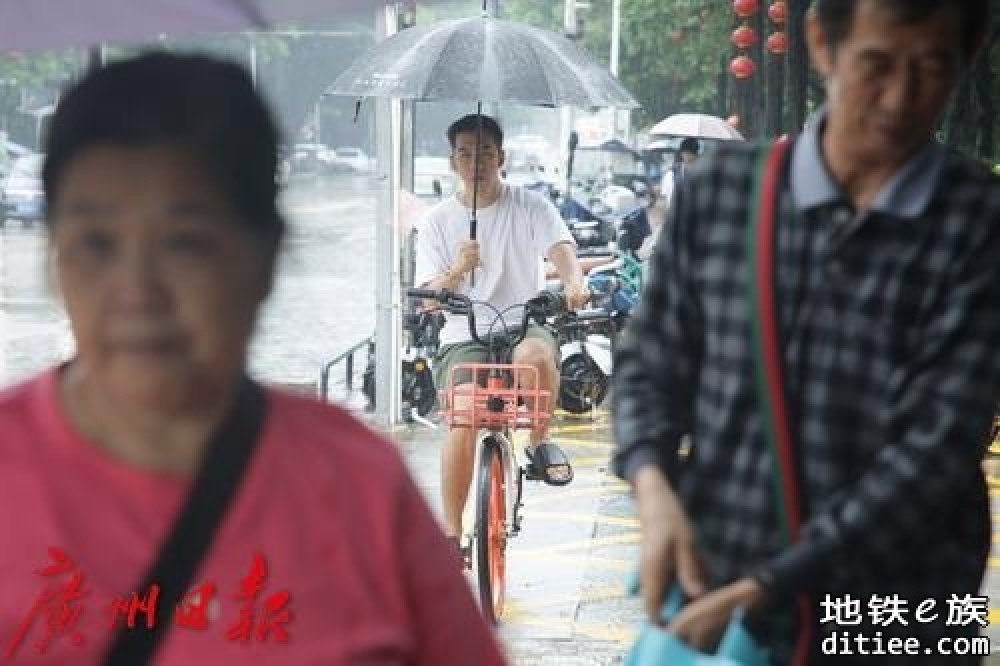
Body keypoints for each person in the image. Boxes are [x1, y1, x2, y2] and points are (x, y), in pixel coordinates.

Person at [0, 52, 508, 665]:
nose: (136, 291)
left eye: (185, 243)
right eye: (94, 244)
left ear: (264, 258)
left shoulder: (358, 488)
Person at [613, 1, 999, 664]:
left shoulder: (977, 224)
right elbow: (649, 365)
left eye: (932, 69)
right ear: (822, 42)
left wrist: (766, 588)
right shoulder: (721, 197)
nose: (901, 98)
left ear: (967, 59)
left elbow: (933, 453)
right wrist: (653, 488)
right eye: (876, 64)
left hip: (900, 611)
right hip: (722, 581)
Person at [413, 114, 589, 552]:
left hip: (522, 321)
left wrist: (573, 283)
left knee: (533, 357)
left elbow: (561, 248)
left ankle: (540, 444)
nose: (476, 162)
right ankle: (452, 535)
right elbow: (428, 297)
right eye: (466, 153)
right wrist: (457, 269)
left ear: (502, 157)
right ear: (452, 161)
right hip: (463, 332)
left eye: (486, 152)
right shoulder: (435, 221)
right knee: (463, 418)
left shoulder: (529, 205)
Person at [658, 136, 700, 211]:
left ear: (696, 154)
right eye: (686, 152)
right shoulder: (672, 173)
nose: (688, 156)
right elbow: (664, 197)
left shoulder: (702, 173)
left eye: (691, 153)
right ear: (681, 153)